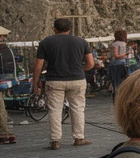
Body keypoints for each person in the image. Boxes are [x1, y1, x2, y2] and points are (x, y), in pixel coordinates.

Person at [34, 18, 95, 150]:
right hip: (77, 79)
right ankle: (79, 137)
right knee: (78, 108)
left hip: (54, 80)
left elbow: (38, 65)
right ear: (70, 29)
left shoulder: (46, 42)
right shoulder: (81, 42)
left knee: (55, 110)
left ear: (54, 28)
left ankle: (55, 140)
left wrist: (35, 83)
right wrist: (80, 70)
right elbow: (90, 64)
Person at [109, 29, 133, 95]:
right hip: (120, 63)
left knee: (117, 81)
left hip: (118, 64)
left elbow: (115, 55)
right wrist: (126, 54)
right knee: (122, 80)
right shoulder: (121, 44)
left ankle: (118, 93)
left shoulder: (116, 44)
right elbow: (116, 55)